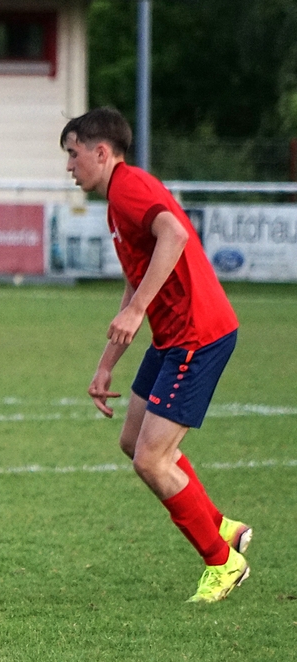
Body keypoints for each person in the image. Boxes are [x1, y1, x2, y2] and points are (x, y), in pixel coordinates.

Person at [60, 107, 251, 603]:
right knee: (133, 442)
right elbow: (136, 278)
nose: (69, 166)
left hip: (198, 334)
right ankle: (221, 527)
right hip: (171, 338)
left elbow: (176, 234)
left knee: (151, 460)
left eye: (73, 154)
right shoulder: (117, 201)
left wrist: (138, 309)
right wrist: (106, 364)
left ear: (102, 152)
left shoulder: (130, 187)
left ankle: (222, 562)